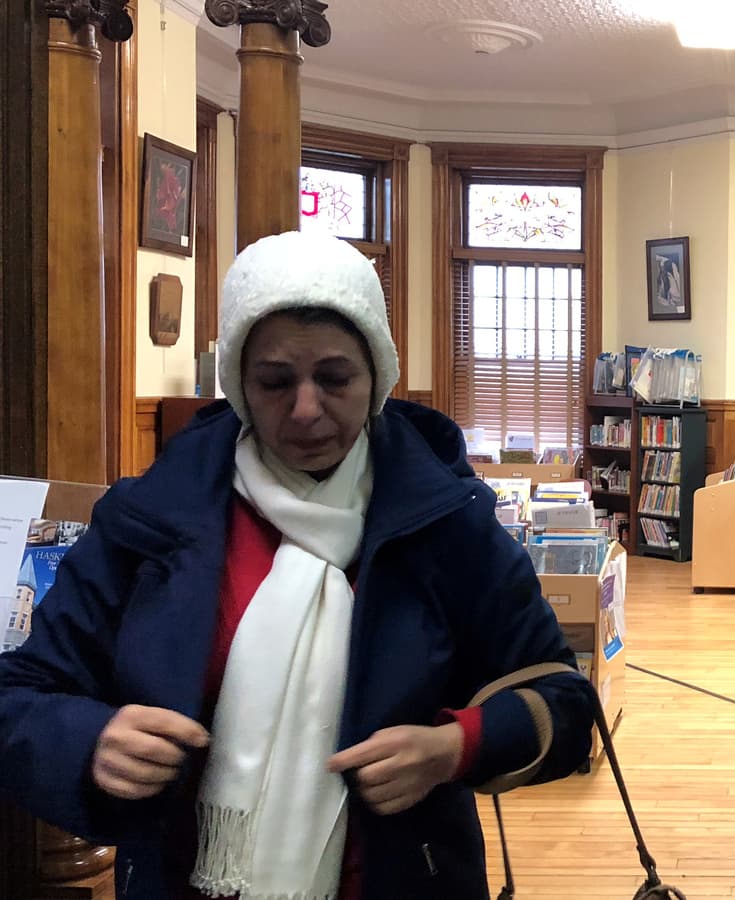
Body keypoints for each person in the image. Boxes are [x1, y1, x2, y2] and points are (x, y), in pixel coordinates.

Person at [0, 231, 593, 900]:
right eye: (275, 381)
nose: (306, 409)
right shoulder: (149, 520)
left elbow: (565, 706)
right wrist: (90, 741)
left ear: (377, 378)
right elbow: (20, 694)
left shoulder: (447, 523)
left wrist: (455, 748)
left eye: (335, 379)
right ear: (238, 385)